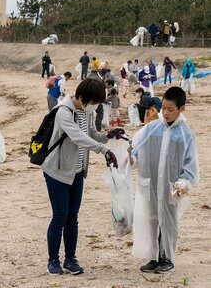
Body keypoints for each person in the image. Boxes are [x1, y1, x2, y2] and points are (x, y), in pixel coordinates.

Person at [42, 78, 124, 275]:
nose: (96, 106)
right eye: (94, 101)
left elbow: (92, 134)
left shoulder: (88, 110)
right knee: (60, 215)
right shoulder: (63, 111)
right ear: (84, 97)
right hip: (57, 170)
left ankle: (71, 259)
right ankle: (53, 260)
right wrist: (104, 150)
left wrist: (108, 135)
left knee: (73, 216)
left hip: (78, 171)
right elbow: (77, 136)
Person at [130, 86, 199, 274]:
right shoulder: (152, 129)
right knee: (151, 219)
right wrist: (129, 157)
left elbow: (190, 164)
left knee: (168, 222)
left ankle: (167, 258)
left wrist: (185, 182)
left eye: (171, 110)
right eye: (164, 108)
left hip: (171, 187)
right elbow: (136, 150)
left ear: (181, 109)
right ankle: (154, 256)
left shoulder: (185, 135)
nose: (166, 113)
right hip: (151, 184)